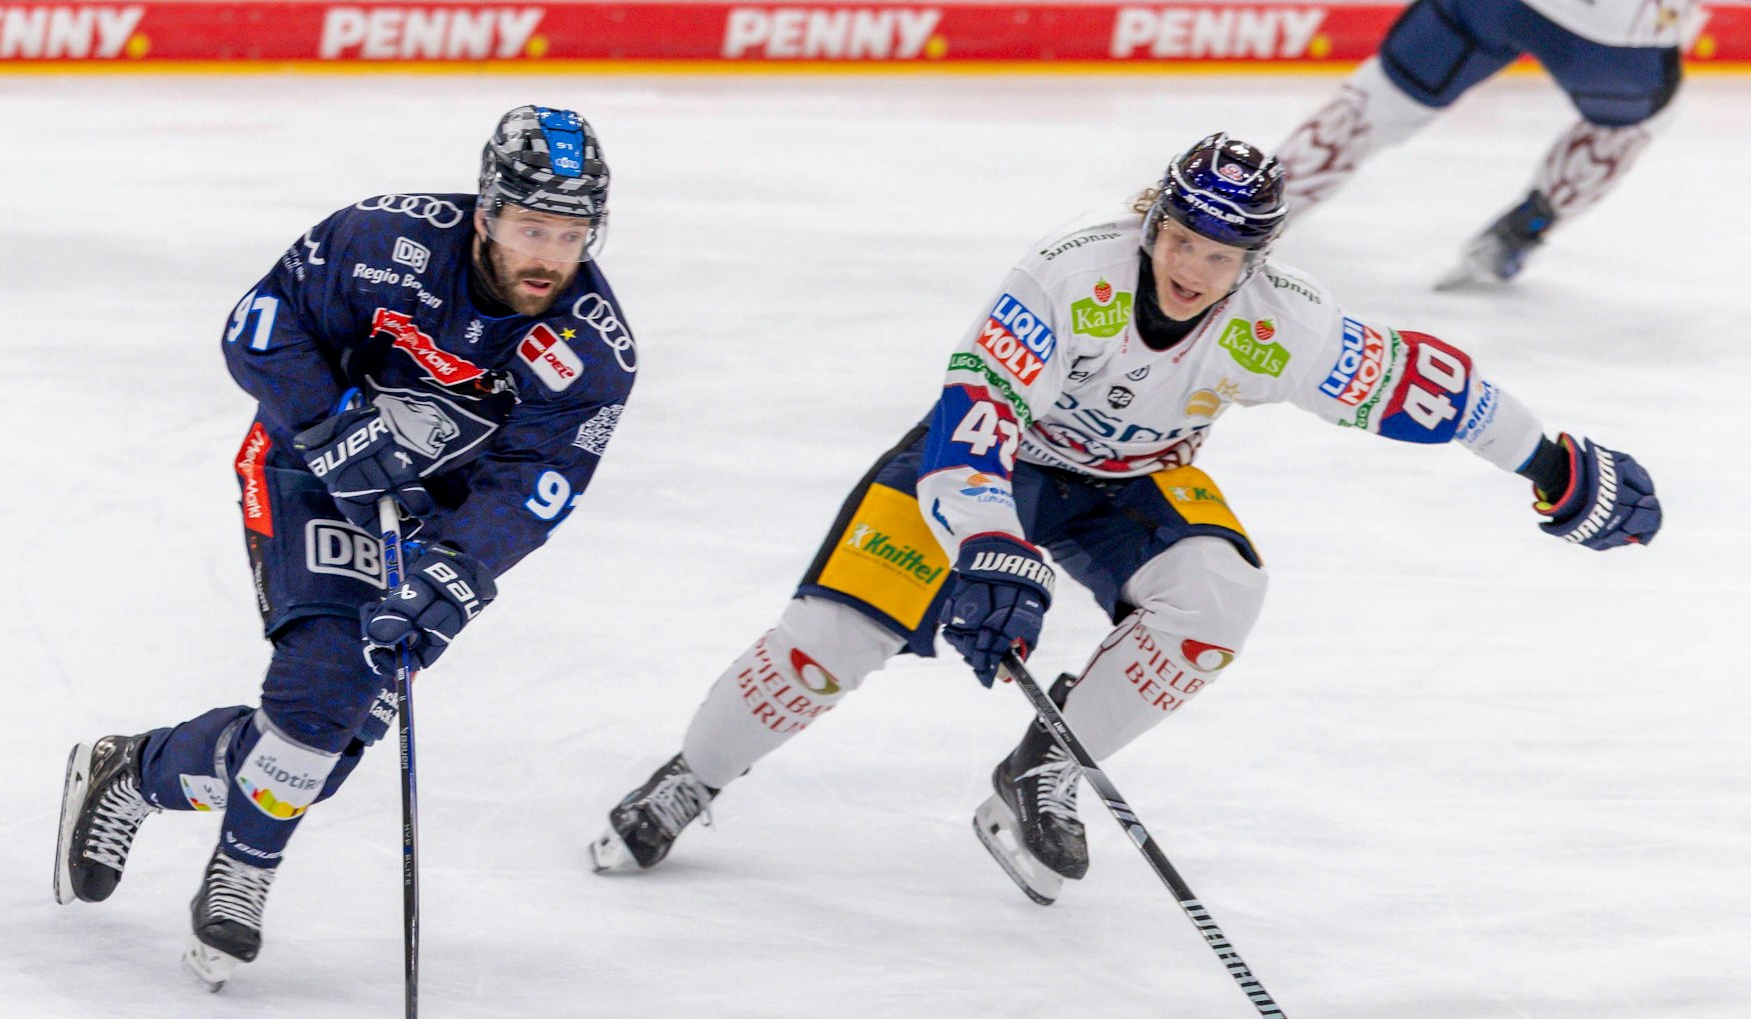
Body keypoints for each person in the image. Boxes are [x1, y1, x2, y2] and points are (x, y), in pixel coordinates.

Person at [591, 133, 1660, 905]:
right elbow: (971, 423)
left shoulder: (1279, 323)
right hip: (989, 463)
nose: (1193, 270)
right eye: (1182, 240)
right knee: (831, 642)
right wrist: (989, 543)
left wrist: (1548, 461)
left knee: (1219, 596)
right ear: (1155, 218)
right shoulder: (1066, 275)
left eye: (1220, 256)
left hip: (1124, 482)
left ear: (1255, 259)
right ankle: (692, 773)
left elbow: (1426, 389)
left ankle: (1044, 762)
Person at [54, 105, 636, 988]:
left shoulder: (593, 348)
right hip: (305, 471)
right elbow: (259, 324)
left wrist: (457, 570)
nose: (550, 255)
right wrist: (330, 425)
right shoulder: (384, 237)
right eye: (530, 227)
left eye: (571, 232)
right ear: (485, 214)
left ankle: (132, 770)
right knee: (323, 681)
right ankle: (243, 874)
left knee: (317, 752)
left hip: (424, 521)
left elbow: (537, 482)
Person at [1273, 0, 1692, 288]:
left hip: (1487, 7)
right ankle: (1520, 232)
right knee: (1631, 124)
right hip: (1618, 34)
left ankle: (1252, 210)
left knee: (1373, 105)